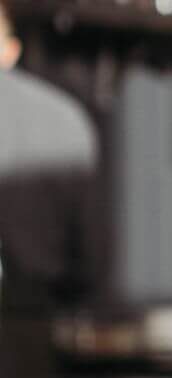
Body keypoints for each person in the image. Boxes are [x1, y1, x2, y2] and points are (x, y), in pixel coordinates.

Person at [0, 1, 99, 316]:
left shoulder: (61, 121)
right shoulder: (67, 117)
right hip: (44, 318)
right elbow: (94, 256)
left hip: (34, 317)